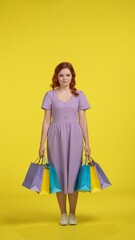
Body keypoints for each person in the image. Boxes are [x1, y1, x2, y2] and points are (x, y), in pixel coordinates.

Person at [38, 62, 91, 226]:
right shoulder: (50, 95)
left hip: (75, 136)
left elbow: (83, 120)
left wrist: (87, 144)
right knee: (59, 175)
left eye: (68, 75)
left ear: (72, 76)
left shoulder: (79, 95)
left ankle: (73, 213)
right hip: (55, 137)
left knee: (74, 174)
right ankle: (63, 213)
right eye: (61, 75)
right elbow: (46, 121)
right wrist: (41, 144)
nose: (64, 78)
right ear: (57, 77)